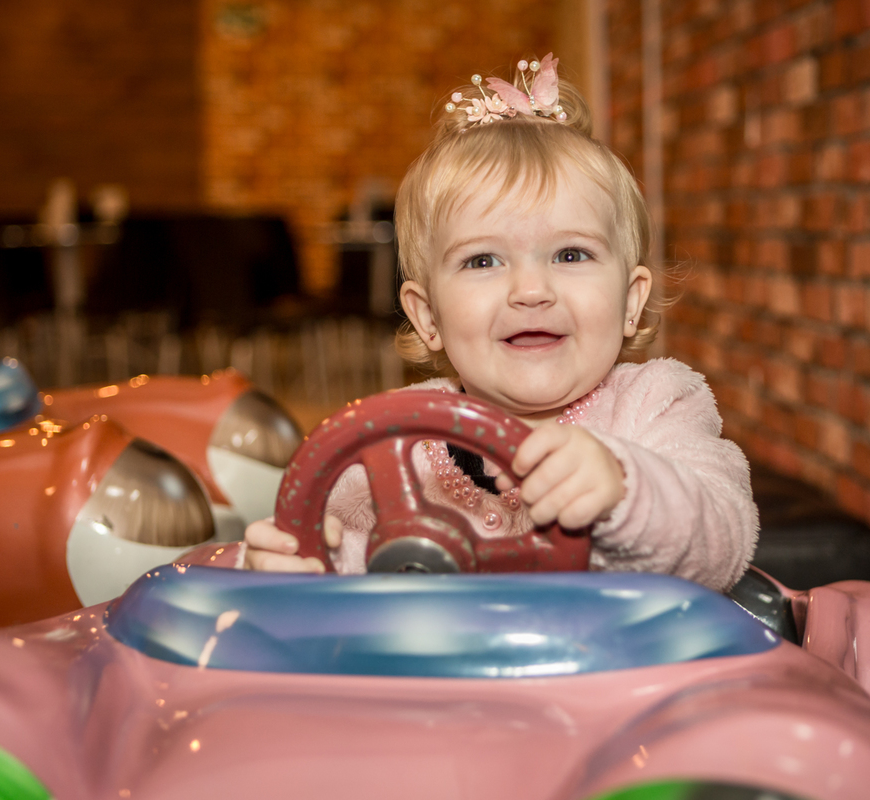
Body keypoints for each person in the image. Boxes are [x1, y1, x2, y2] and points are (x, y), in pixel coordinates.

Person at [244, 54, 758, 591]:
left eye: (570, 255)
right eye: (483, 261)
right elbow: (343, 562)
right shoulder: (396, 445)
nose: (531, 291)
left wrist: (624, 490)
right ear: (427, 317)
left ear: (631, 302)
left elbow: (723, 542)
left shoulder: (658, 404)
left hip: (613, 671)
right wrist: (292, 567)